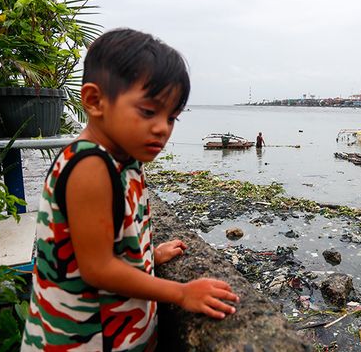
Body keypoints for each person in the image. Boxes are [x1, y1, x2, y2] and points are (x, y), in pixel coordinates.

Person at [22, 29, 239, 351]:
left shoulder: (126, 160)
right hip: (81, 340)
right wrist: (180, 292)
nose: (162, 128)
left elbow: (107, 240)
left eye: (172, 117)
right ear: (95, 101)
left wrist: (147, 256)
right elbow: (97, 268)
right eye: (148, 112)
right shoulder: (89, 167)